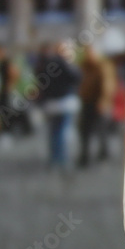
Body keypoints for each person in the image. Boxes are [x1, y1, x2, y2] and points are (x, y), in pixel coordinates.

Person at [37, 40, 80, 170]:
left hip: (50, 102)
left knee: (53, 131)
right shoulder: (63, 63)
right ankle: (61, 159)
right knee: (62, 131)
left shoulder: (45, 64)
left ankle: (54, 157)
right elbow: (76, 77)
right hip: (63, 101)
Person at [76, 44, 117, 167]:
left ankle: (103, 152)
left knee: (101, 129)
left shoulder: (103, 66)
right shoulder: (84, 66)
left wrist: (103, 102)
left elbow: (107, 85)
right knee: (84, 130)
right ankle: (85, 155)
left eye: (91, 52)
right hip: (86, 101)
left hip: (99, 102)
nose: (89, 55)